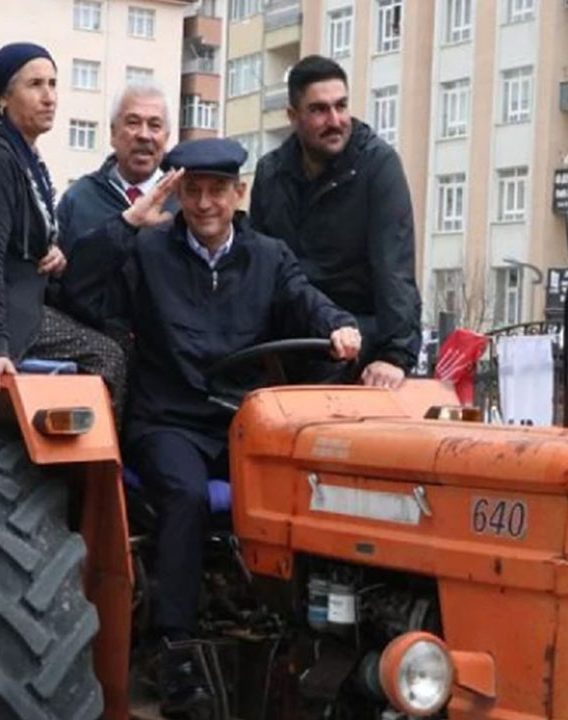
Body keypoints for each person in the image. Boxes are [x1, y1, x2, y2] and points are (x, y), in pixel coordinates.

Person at [86, 138, 361, 718]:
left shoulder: (268, 257)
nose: (206, 203)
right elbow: (80, 290)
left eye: (218, 190)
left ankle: (312, 635)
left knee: (313, 486)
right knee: (185, 493)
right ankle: (174, 648)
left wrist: (340, 327)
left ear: (239, 194)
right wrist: (124, 226)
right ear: (177, 194)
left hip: (242, 423)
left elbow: (308, 301)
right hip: (168, 420)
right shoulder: (148, 252)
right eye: (193, 190)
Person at [0, 42, 126, 410]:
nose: (49, 97)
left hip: (21, 308)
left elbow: (21, 240)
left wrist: (52, 253)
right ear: (3, 96)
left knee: (122, 336)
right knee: (107, 356)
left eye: (53, 84)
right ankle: (95, 466)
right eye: (35, 85)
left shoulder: (20, 158)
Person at [250, 55, 421, 390]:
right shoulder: (271, 173)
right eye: (319, 110)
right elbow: (258, 266)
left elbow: (394, 266)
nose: (335, 120)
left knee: (319, 400)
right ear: (293, 116)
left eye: (341, 106)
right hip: (291, 328)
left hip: (359, 330)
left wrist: (394, 355)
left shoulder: (378, 166)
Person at [55, 84, 178, 328]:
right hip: (96, 344)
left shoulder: (184, 202)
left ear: (166, 137)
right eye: (133, 122)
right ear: (112, 133)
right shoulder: (79, 199)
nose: (144, 135)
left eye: (155, 125)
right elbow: (60, 285)